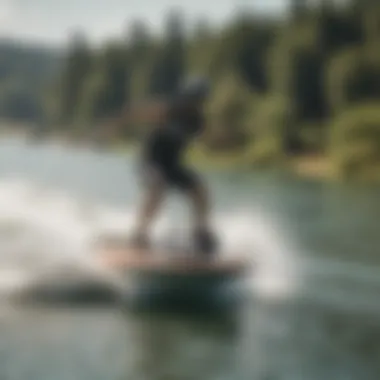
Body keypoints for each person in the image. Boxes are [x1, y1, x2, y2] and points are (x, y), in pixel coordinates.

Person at [121, 75, 218, 257]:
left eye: (200, 99)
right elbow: (141, 112)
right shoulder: (171, 109)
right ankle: (139, 233)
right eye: (193, 98)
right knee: (158, 186)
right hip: (150, 162)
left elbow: (208, 139)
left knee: (200, 190)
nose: (195, 103)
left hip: (172, 165)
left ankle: (200, 232)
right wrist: (131, 115)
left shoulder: (197, 121)